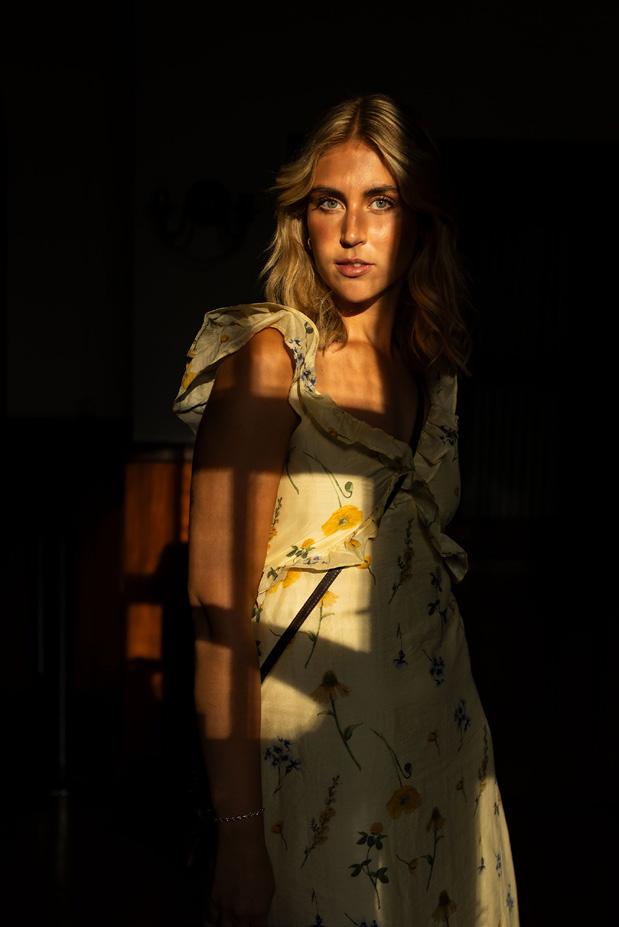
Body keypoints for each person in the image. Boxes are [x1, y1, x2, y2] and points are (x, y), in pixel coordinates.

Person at [172, 92, 520, 927]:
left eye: (381, 201)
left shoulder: (428, 371)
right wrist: (239, 833)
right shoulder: (270, 362)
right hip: (316, 765)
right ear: (302, 220)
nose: (353, 231)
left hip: (442, 742)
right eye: (329, 201)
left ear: (421, 221)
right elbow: (216, 615)